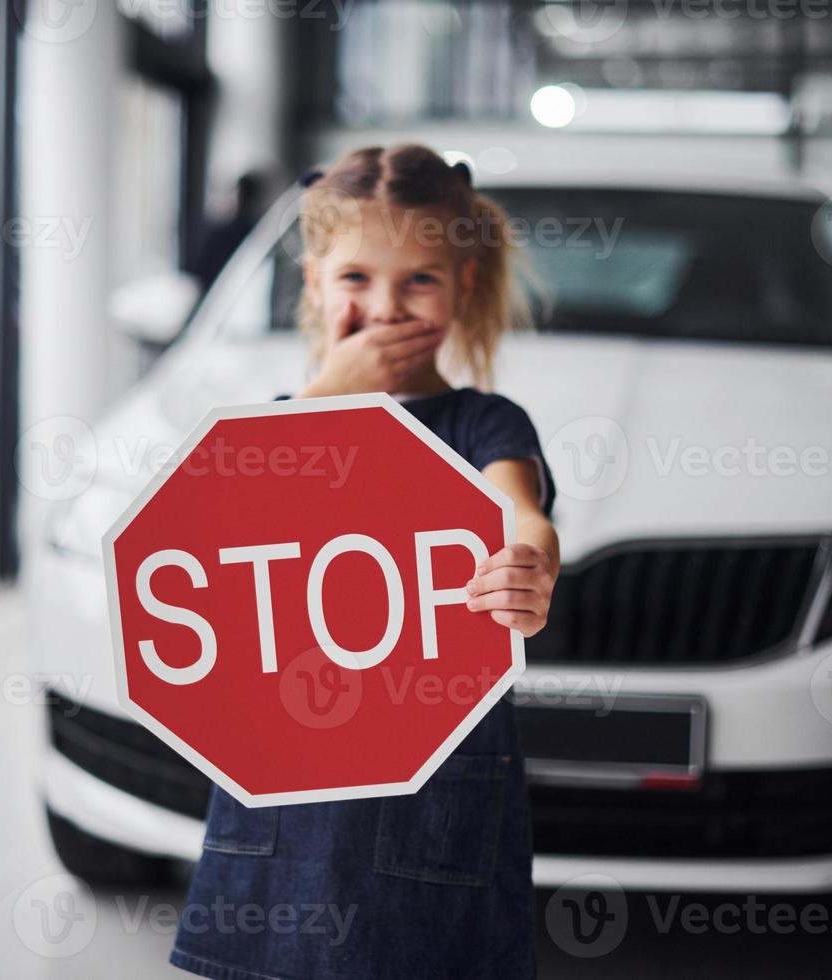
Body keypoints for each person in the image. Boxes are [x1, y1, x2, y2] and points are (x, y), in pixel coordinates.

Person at [167, 143, 560, 980]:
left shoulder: (482, 424)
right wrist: (325, 400)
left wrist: (527, 561)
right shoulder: (273, 425)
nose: (385, 308)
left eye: (418, 279)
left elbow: (518, 511)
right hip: (284, 801)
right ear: (313, 284)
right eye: (355, 280)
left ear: (462, 288)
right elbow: (211, 531)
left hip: (434, 797)